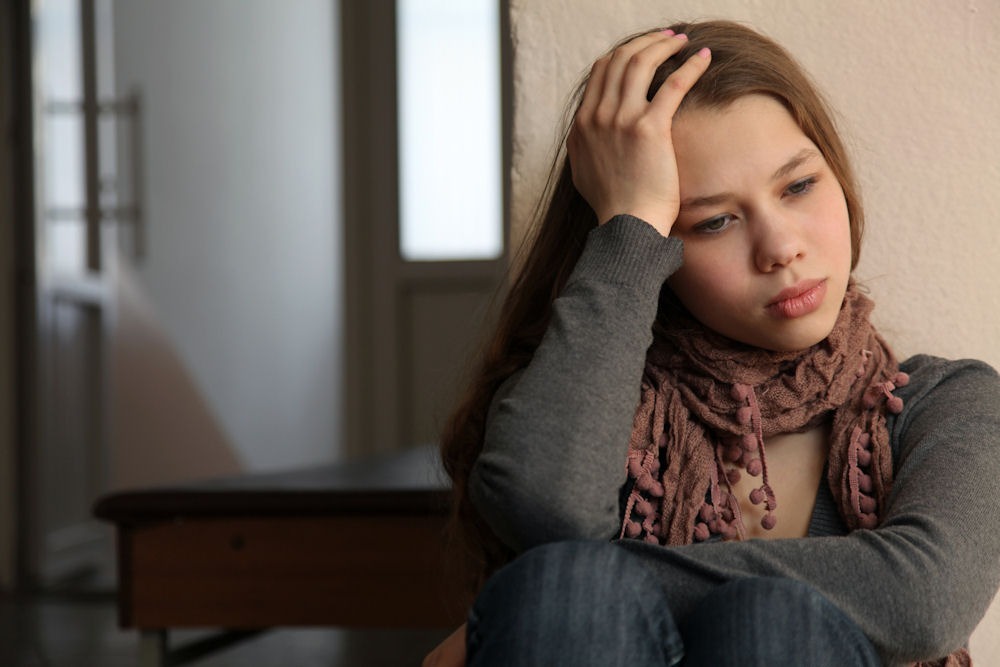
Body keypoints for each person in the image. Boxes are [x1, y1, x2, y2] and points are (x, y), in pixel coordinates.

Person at [424, 19, 1000, 667]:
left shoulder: (946, 400)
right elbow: (545, 505)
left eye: (799, 185)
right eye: (714, 220)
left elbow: (922, 601)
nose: (781, 247)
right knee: (569, 589)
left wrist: (532, 589)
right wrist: (629, 222)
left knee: (768, 620)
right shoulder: (598, 405)